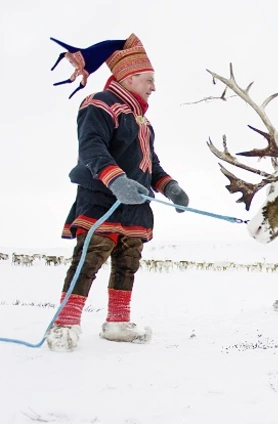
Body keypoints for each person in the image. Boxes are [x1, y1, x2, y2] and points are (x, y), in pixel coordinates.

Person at [45, 34, 190, 351]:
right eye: (149, 80)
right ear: (130, 76)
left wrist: (170, 187)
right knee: (89, 261)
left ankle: (118, 323)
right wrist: (117, 181)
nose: (154, 87)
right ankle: (64, 324)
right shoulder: (99, 104)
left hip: (135, 208)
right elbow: (92, 149)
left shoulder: (144, 122)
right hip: (101, 201)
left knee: (128, 264)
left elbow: (151, 164)